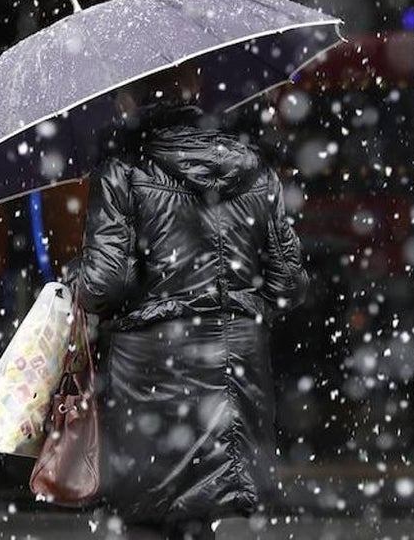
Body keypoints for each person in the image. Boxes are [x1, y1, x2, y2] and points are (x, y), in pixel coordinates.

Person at [62, 62, 311, 540]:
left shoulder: (121, 171)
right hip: (234, 363)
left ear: (131, 98)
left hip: (151, 371)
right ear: (194, 88)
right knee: (219, 505)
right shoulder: (254, 169)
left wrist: (78, 275)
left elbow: (104, 286)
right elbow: (289, 285)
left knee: (150, 511)